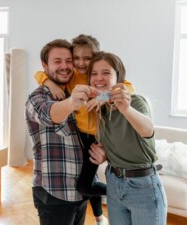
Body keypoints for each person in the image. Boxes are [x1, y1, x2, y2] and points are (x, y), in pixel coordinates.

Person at [34, 34, 135, 225]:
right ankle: (99, 216)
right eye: (77, 58)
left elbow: (128, 87)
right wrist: (48, 82)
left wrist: (103, 97)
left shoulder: (98, 77)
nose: (81, 63)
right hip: (80, 134)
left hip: (97, 136)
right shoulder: (71, 78)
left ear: (96, 57)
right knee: (87, 179)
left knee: (85, 184)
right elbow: (39, 74)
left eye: (87, 58)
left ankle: (122, 192)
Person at [25, 39, 106, 225]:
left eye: (68, 61)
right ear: (45, 66)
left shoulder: (75, 90)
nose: (65, 66)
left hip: (80, 193)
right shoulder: (37, 97)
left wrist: (103, 154)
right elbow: (48, 114)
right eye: (57, 61)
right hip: (54, 194)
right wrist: (71, 103)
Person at [86, 51, 167, 225]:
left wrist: (125, 109)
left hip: (143, 186)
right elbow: (118, 142)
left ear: (118, 77)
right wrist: (106, 155)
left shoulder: (135, 102)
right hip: (114, 183)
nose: (99, 78)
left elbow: (148, 131)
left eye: (106, 73)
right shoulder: (100, 110)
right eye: (94, 73)